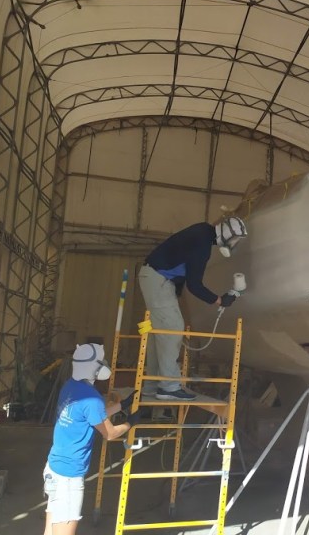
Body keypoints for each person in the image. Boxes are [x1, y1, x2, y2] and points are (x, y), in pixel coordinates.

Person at [138, 217, 247, 401]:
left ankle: (152, 385)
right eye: (234, 239)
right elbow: (194, 285)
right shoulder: (202, 245)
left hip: (154, 278)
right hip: (158, 279)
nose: (233, 244)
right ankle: (168, 387)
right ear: (226, 233)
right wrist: (219, 300)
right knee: (172, 328)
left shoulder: (202, 232)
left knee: (160, 333)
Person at [43, 343, 138, 535]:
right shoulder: (92, 398)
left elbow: (92, 416)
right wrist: (130, 423)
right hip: (69, 477)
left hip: (54, 468)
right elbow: (109, 433)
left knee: (51, 530)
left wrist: (122, 406)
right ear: (96, 367)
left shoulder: (70, 386)